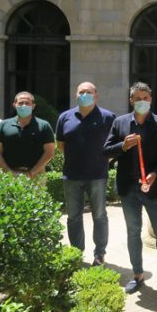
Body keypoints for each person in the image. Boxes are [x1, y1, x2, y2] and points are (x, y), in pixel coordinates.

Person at [103, 82, 157, 294]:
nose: (142, 101)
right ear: (131, 100)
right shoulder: (120, 123)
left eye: (145, 98)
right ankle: (137, 275)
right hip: (129, 188)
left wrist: (155, 174)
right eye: (137, 98)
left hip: (153, 187)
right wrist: (123, 145)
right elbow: (106, 150)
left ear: (150, 99)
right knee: (133, 232)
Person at [56, 82, 116, 266]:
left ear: (96, 95)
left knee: (100, 216)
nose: (84, 95)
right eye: (81, 92)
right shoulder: (65, 117)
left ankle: (99, 254)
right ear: (76, 95)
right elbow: (60, 144)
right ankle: (77, 252)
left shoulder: (108, 117)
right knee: (73, 217)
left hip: (97, 175)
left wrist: (103, 160)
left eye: (88, 92)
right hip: (71, 175)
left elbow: (116, 144)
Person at [0, 91, 55, 180]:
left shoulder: (44, 125)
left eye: (27, 103)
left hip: (36, 175)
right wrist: (8, 171)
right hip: (8, 175)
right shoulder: (4, 125)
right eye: (20, 103)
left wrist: (31, 173)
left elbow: (49, 152)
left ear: (33, 106)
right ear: (14, 105)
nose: (24, 105)